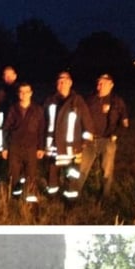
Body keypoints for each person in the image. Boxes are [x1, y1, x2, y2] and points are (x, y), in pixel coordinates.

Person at [42, 71, 95, 199]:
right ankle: (52, 199)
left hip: (72, 148)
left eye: (65, 81)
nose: (62, 84)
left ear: (70, 83)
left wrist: (84, 144)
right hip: (53, 147)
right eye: (59, 81)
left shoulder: (78, 101)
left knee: (72, 176)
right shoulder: (50, 100)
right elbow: (42, 121)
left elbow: (88, 125)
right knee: (52, 175)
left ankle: (70, 202)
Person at [77, 73, 129, 197]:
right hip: (89, 141)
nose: (99, 86)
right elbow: (80, 118)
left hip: (108, 141)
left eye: (103, 83)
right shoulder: (90, 99)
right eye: (98, 83)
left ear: (111, 85)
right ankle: (74, 196)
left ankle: (105, 197)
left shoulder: (117, 101)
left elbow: (125, 123)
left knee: (107, 171)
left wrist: (116, 134)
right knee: (81, 171)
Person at [0, 82, 46, 202]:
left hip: (31, 147)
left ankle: (29, 199)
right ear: (18, 94)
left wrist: (41, 147)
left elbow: (41, 130)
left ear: (31, 93)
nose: (24, 94)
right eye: (21, 92)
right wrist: (4, 147)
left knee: (30, 174)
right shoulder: (13, 108)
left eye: (26, 92)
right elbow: (6, 129)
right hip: (15, 147)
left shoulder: (38, 109)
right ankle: (15, 198)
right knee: (14, 174)